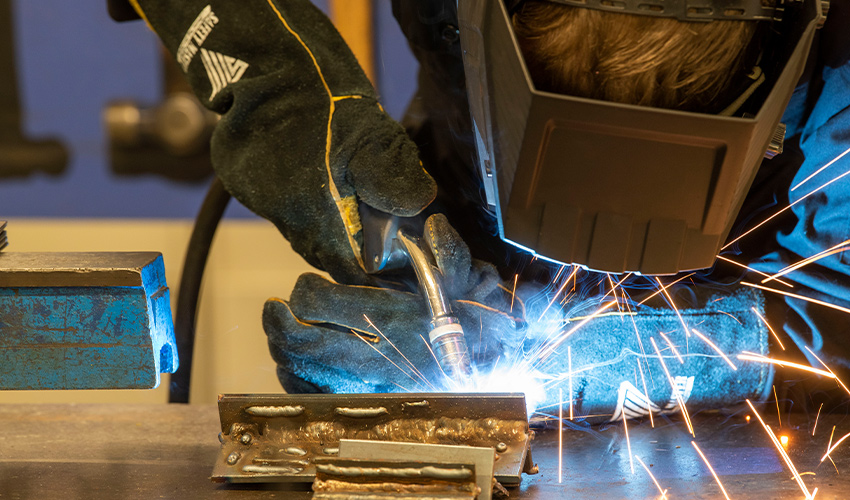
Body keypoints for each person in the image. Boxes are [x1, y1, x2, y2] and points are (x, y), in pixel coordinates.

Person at [112, 0, 848, 418]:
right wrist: (265, 64)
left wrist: (588, 357)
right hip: (471, 206)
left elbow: (836, 323)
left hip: (775, 250)